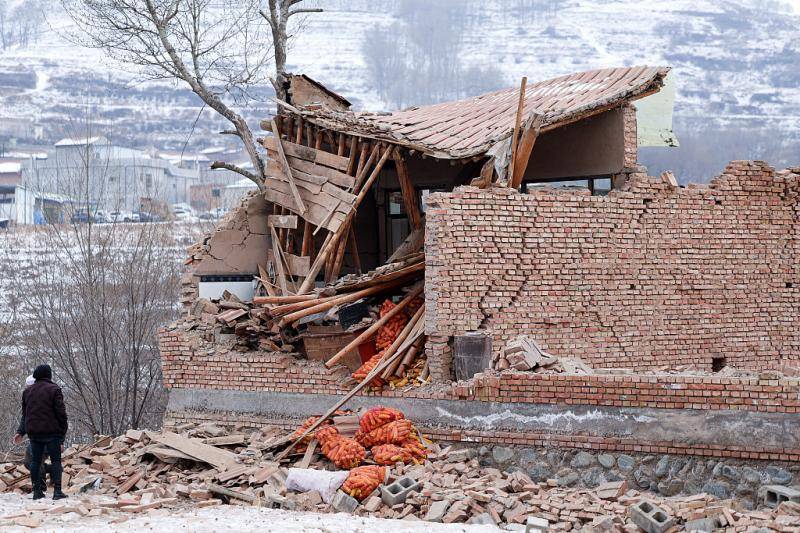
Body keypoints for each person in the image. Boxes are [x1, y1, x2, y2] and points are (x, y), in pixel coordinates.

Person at [15, 364, 68, 500]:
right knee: (56, 461)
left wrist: (22, 431)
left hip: (34, 433)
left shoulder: (27, 392)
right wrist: (62, 434)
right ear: (48, 375)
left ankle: (37, 492)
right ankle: (57, 492)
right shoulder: (54, 389)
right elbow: (61, 413)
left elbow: (25, 414)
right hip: (51, 433)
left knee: (35, 462)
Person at [13, 375, 51, 489]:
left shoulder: (47, 396)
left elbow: (60, 418)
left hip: (49, 436)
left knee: (35, 459)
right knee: (28, 462)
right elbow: (26, 417)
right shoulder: (28, 398)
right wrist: (20, 432)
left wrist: (60, 440)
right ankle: (53, 470)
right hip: (35, 437)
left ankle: (40, 486)